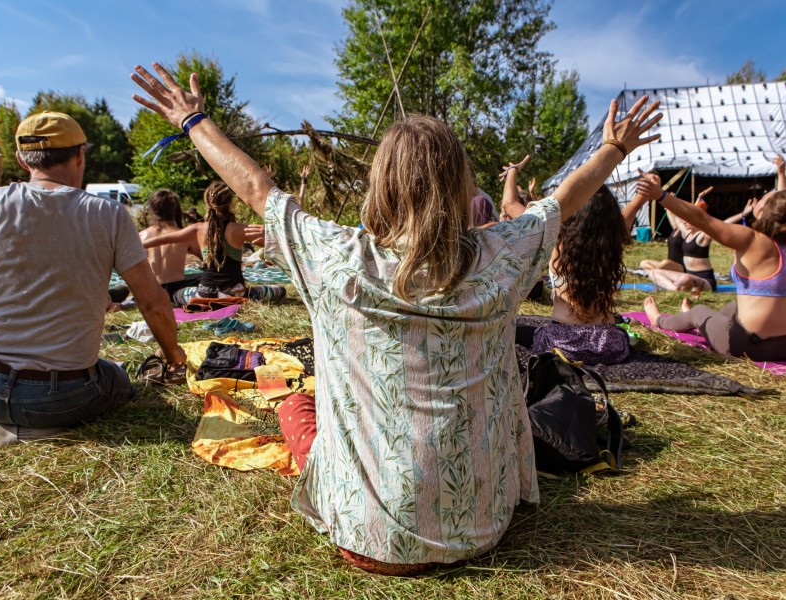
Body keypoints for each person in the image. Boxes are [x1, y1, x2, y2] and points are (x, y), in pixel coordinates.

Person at [131, 61, 661, 573]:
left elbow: (257, 190)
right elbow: (562, 202)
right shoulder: (502, 254)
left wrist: (194, 122)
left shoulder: (335, 255)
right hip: (481, 528)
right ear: (461, 185)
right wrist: (613, 149)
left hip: (367, 540)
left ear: (381, 182)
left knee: (296, 403)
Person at [0, 111, 186, 446]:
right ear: (80, 155)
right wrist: (173, 353)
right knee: (118, 379)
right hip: (68, 395)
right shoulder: (107, 214)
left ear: (22, 159)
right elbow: (151, 301)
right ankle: (30, 431)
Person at [639, 170, 786, 362]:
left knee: (699, 311)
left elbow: (702, 219)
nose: (759, 199)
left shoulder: (750, 239)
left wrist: (661, 196)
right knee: (733, 307)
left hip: (748, 346)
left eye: (765, 198)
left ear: (765, 212)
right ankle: (699, 320)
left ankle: (661, 320)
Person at [502, 160, 631, 364]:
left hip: (565, 344)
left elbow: (509, 204)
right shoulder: (612, 245)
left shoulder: (556, 238)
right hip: (609, 344)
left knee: (512, 331)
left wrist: (512, 171)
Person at [141, 181, 285, 303]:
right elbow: (274, 244)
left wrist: (137, 245)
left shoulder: (197, 229)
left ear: (206, 203)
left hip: (204, 294)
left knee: (176, 295)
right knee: (280, 290)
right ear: (231, 203)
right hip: (235, 293)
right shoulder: (240, 229)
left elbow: (163, 239)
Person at [139, 189, 203, 304]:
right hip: (176, 288)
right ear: (175, 209)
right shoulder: (184, 235)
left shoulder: (141, 236)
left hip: (151, 289)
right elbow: (207, 260)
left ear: (152, 209)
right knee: (205, 276)